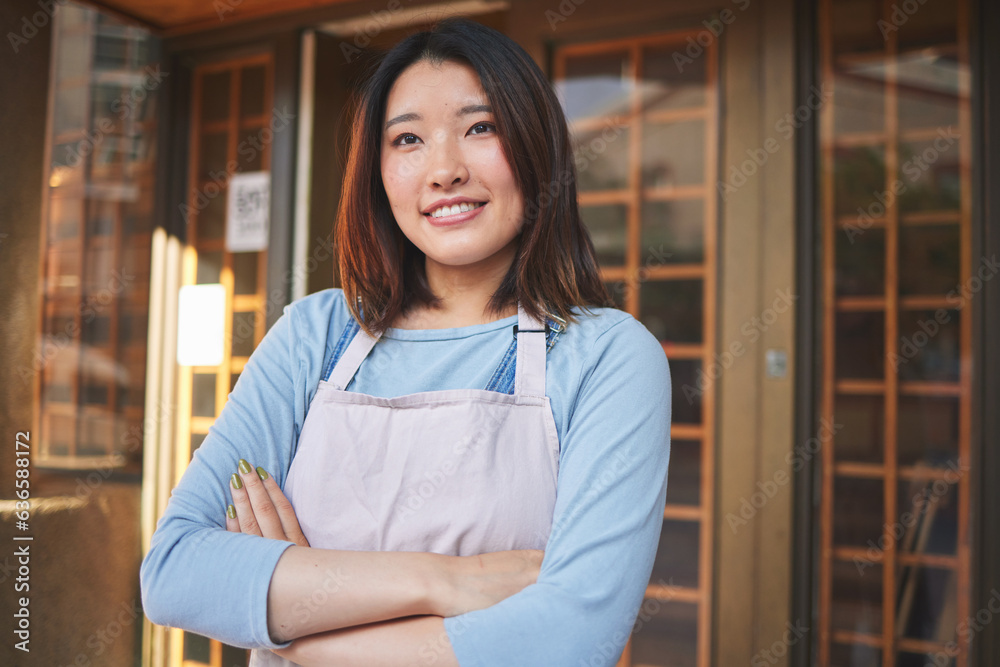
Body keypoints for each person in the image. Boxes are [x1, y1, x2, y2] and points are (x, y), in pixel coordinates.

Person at [140, 17, 672, 667]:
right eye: (408, 139)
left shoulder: (607, 356)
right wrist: (446, 580)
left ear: (536, 145)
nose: (444, 169)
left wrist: (297, 624)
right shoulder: (315, 335)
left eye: (481, 128)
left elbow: (570, 637)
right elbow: (174, 573)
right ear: (378, 170)